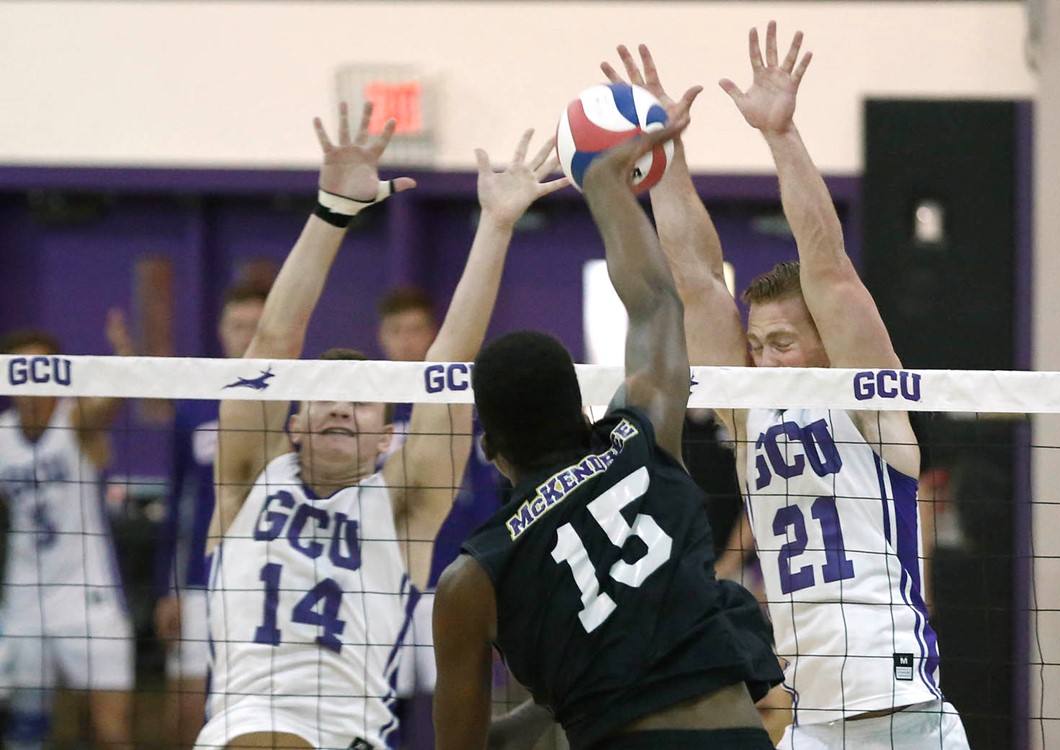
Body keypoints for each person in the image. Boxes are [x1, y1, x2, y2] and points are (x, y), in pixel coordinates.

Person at [632, 23, 971, 749]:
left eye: (782, 343)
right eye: (756, 346)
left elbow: (829, 267)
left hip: (901, 709)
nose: (764, 360)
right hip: (810, 720)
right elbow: (695, 282)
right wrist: (665, 161)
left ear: (827, 344)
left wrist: (781, 136)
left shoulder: (870, 409)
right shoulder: (748, 415)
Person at [197, 103, 565, 750]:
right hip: (244, 722)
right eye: (322, 399)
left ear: (385, 437)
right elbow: (274, 341)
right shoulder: (249, 479)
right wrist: (332, 211)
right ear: (294, 425)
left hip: (353, 734)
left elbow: (449, 364)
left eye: (362, 403)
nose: (339, 407)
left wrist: (497, 227)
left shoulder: (401, 506)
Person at [432, 116, 783, 750]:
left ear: (492, 452)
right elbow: (657, 303)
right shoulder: (640, 442)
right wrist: (604, 186)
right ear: (586, 412)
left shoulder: (472, 576)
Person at [375, 287, 506, 749]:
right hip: (383, 585)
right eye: (397, 332)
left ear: (431, 334)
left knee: (455, 704)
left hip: (449, 582)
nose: (408, 342)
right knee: (382, 703)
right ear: (382, 337)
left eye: (416, 331)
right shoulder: (369, 407)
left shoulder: (459, 405)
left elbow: (487, 498)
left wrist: (491, 577)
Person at [0, 312, 136, 750]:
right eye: (22, 370)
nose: (33, 382)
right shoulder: (1, 437)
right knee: (25, 730)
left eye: (42, 370)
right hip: (23, 597)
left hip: (86, 594)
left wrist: (123, 359)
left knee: (110, 732)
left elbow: (105, 407)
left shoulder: (75, 421)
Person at [153, 281, 268, 749]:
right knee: (187, 708)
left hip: (271, 580)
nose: (246, 335)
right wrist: (168, 589)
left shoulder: (298, 399)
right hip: (202, 578)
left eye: (256, 326)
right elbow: (176, 502)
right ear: (222, 331)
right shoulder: (194, 403)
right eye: (238, 326)